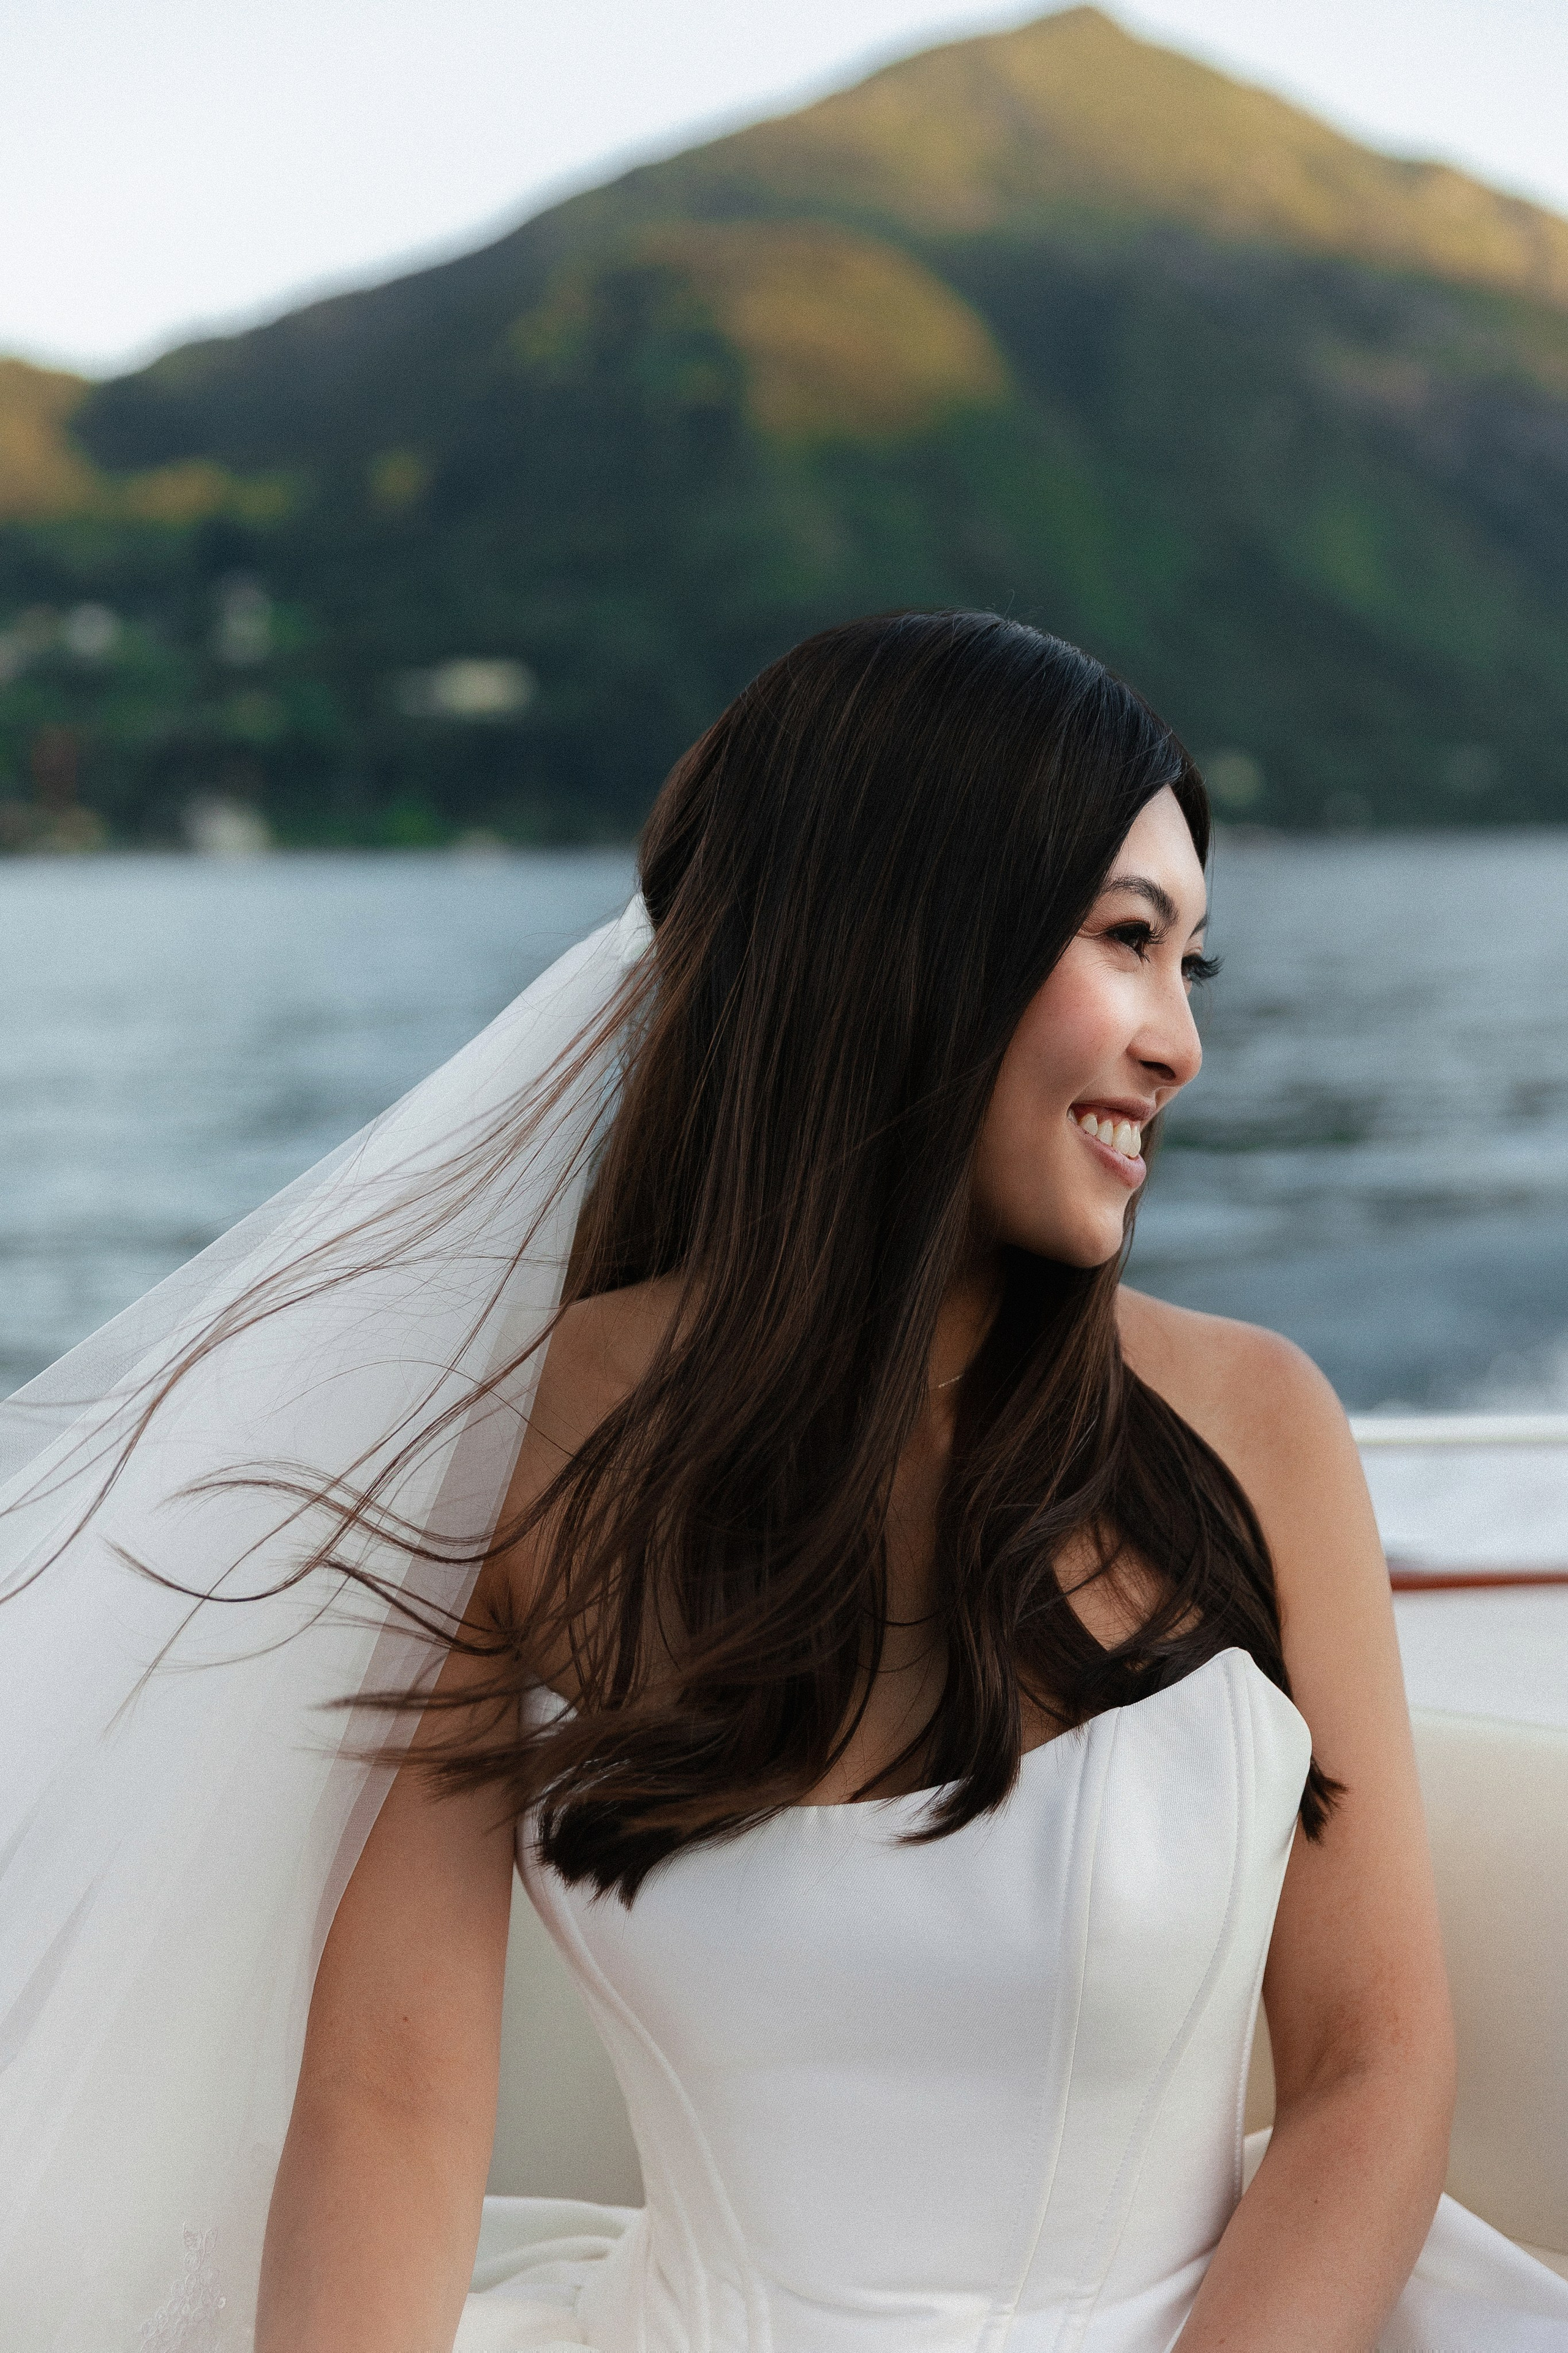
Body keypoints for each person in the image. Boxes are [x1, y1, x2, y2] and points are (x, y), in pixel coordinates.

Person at [2, 614, 1564, 2353]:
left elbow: (1372, 2067)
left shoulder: (1255, 1428)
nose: (1180, 1042)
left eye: (1195, 963)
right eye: (1131, 940)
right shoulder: (521, 1451)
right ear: (909, 935)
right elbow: (389, 2100)